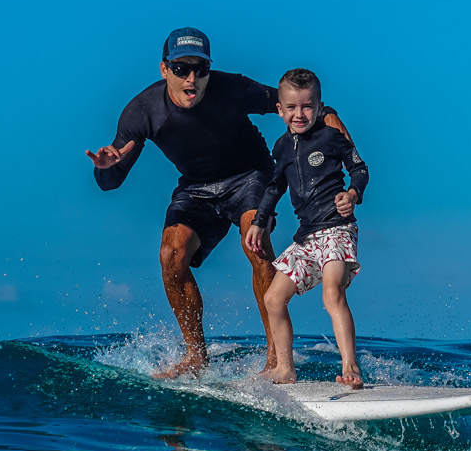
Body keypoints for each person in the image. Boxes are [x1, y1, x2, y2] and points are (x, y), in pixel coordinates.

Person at [86, 28, 353, 378]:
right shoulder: (142, 112)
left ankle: (275, 358)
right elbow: (110, 182)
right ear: (164, 69)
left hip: (250, 176)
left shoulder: (232, 88)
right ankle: (196, 356)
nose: (192, 78)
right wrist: (108, 167)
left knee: (254, 243)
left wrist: (326, 113)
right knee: (171, 254)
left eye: (200, 69)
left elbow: (287, 101)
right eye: (181, 69)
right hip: (195, 188)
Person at [246, 68, 370, 388]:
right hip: (307, 237)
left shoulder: (331, 137)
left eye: (307, 106)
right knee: (273, 299)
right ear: (279, 110)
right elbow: (274, 188)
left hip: (337, 229)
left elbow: (359, 169)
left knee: (332, 293)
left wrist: (353, 194)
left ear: (318, 106)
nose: (299, 114)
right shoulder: (282, 147)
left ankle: (351, 367)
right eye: (291, 107)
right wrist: (259, 222)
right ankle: (285, 369)